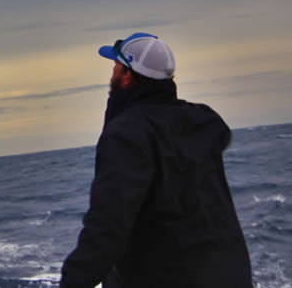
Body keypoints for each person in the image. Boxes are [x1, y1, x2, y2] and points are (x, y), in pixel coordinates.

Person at [59, 32, 253, 288]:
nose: (112, 74)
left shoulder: (127, 134)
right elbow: (218, 133)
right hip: (231, 275)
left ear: (127, 75)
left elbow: (107, 227)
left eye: (116, 66)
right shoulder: (202, 119)